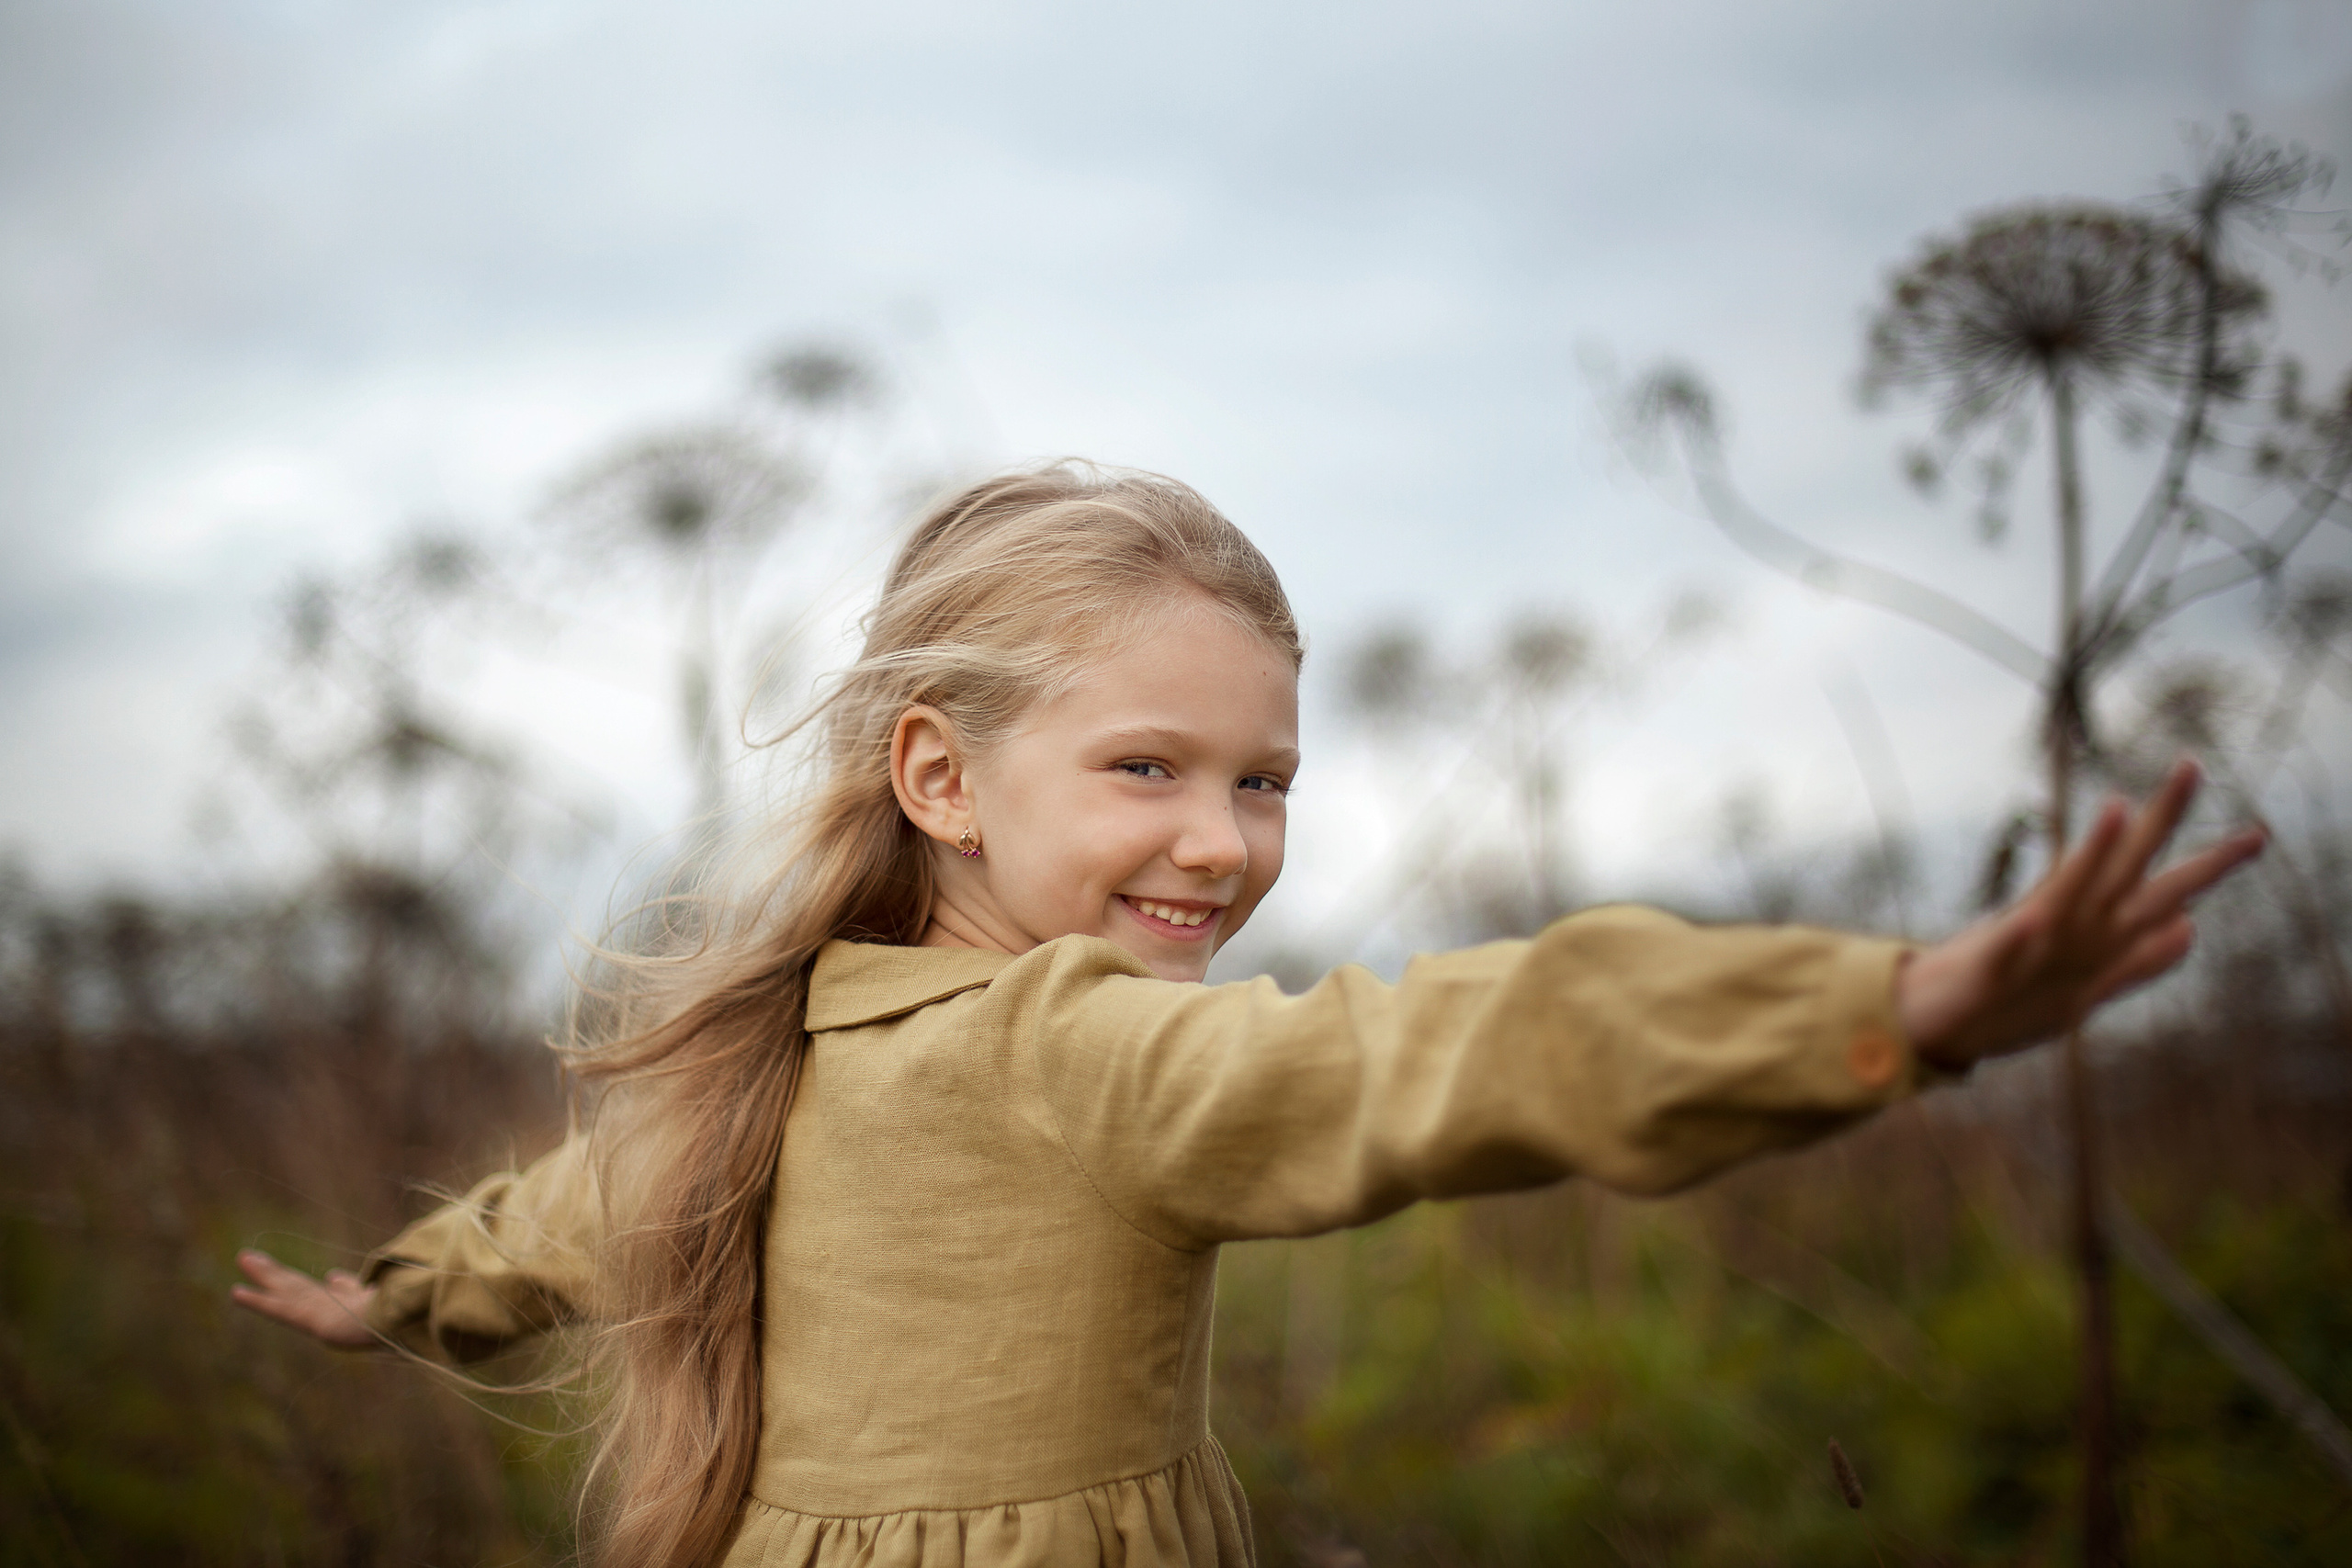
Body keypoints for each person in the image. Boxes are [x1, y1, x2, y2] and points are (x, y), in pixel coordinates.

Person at [231, 462, 2264, 1568]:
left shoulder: (797, 1041)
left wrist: (392, 1290)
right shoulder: (1069, 1048)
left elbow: (561, 1217)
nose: (1220, 839)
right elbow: (1431, 1048)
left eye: (1262, 777)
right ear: (940, 777)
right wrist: (1891, 1001)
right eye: (1146, 768)